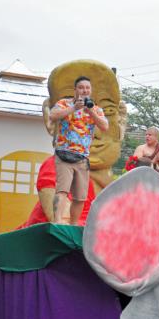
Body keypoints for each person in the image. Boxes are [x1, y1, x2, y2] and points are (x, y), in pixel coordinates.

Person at [48, 76, 109, 225]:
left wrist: (91, 112)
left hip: (82, 158)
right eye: (81, 87)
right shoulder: (64, 103)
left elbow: (105, 126)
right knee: (62, 190)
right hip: (64, 155)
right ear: (75, 90)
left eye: (87, 88)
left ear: (91, 90)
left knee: (80, 197)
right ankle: (57, 223)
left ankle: (73, 225)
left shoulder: (96, 108)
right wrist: (74, 108)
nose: (84, 90)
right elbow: (53, 115)